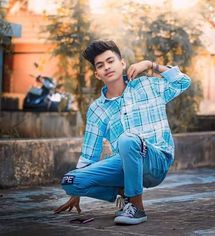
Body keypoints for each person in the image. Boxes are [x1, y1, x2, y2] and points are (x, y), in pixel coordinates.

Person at [54, 40, 191, 225]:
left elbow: (183, 82)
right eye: (100, 65)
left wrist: (150, 64)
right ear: (97, 74)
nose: (107, 67)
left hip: (156, 159)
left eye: (111, 61)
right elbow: (89, 155)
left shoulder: (148, 86)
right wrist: (77, 191)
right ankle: (124, 194)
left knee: (127, 140)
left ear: (123, 64)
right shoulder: (97, 109)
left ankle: (137, 208)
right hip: (125, 165)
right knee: (70, 181)